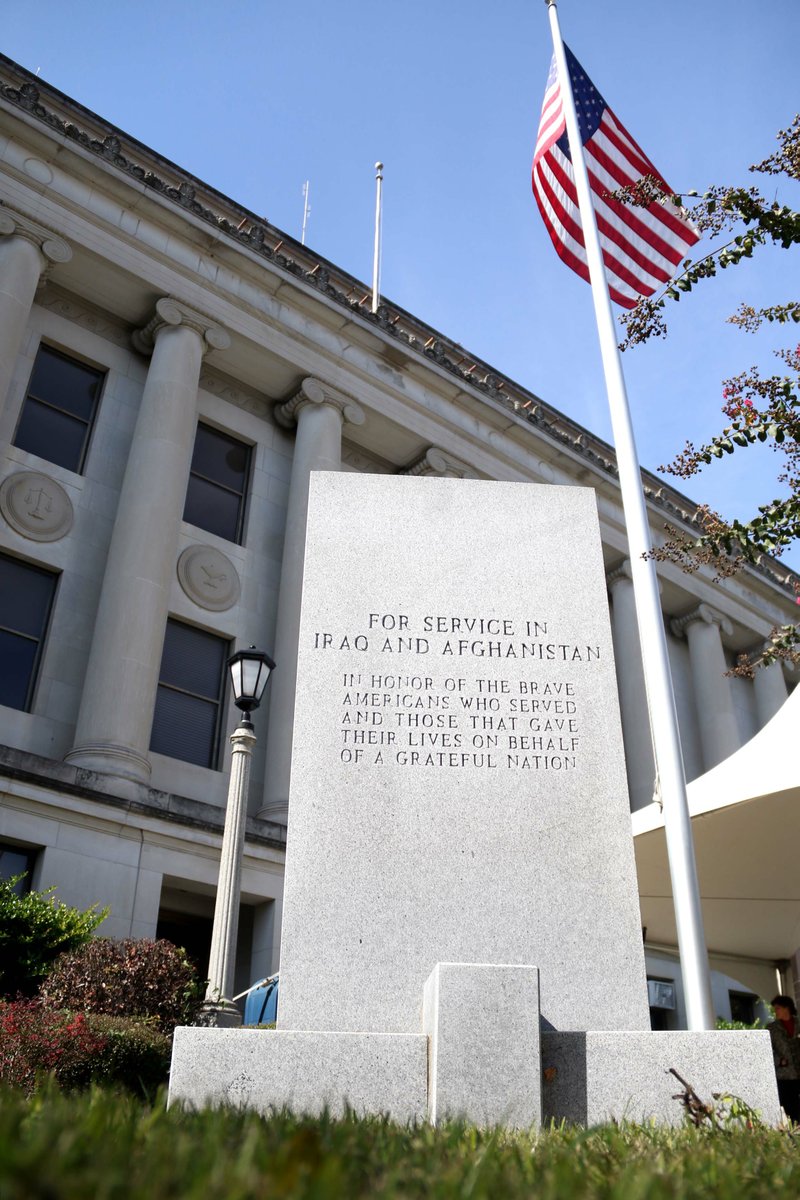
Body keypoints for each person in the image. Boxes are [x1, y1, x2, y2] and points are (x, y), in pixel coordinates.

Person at [768, 994, 800, 1123]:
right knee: (789, 1106)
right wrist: (779, 1061)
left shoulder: (798, 1023)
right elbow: (768, 1050)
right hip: (784, 1076)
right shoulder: (771, 1028)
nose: (775, 1012)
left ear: (787, 1008)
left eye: (778, 1008)